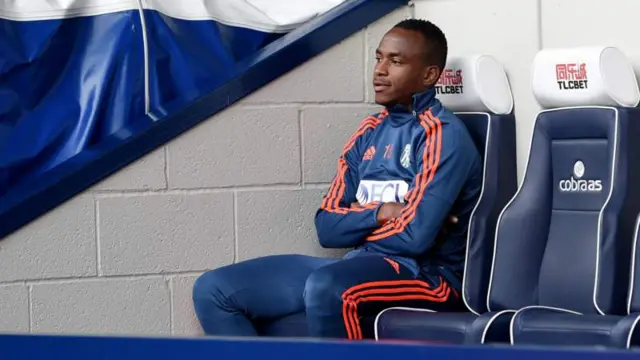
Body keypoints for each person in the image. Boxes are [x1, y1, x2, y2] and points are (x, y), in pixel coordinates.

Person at [192, 19, 482, 340]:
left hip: (428, 276)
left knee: (328, 286)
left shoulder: (442, 135)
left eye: (395, 61)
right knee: (214, 290)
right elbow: (326, 227)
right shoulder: (369, 131)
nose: (380, 70)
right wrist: (382, 212)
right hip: (361, 263)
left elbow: (415, 240)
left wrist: (359, 220)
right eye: (378, 58)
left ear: (429, 75)